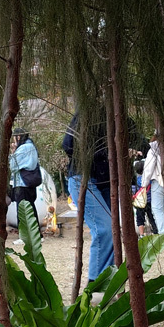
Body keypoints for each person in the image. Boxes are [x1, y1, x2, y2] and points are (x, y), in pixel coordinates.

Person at [63, 112, 116, 282]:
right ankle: (95, 285)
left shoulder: (115, 112)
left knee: (113, 231)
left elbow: (139, 140)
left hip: (107, 181)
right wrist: (103, 151)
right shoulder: (85, 113)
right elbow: (68, 145)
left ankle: (107, 283)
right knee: (104, 229)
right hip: (83, 178)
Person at [9, 129, 40, 241]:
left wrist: (13, 152)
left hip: (22, 183)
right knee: (31, 209)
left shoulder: (23, 148)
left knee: (22, 210)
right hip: (29, 182)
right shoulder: (32, 146)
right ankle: (37, 235)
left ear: (18, 137)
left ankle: (24, 237)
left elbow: (12, 166)